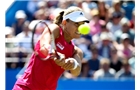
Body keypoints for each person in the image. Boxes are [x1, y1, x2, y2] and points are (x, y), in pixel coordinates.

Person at [12, 6, 89, 90]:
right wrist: (56, 54)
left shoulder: (77, 51)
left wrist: (72, 63)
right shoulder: (54, 28)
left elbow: (76, 72)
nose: (80, 27)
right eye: (76, 24)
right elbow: (44, 47)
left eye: (82, 24)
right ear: (64, 22)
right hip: (26, 87)